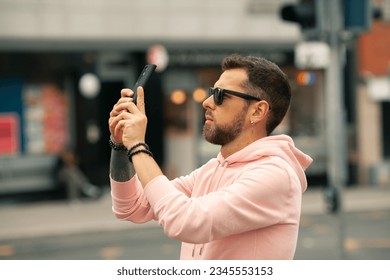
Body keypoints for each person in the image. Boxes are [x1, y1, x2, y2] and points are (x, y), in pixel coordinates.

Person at [108, 54, 313, 260]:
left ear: (258, 111)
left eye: (220, 95)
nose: (206, 102)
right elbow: (131, 207)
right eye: (211, 92)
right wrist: (119, 144)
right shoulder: (213, 169)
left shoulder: (275, 175)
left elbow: (185, 222)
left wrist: (137, 145)